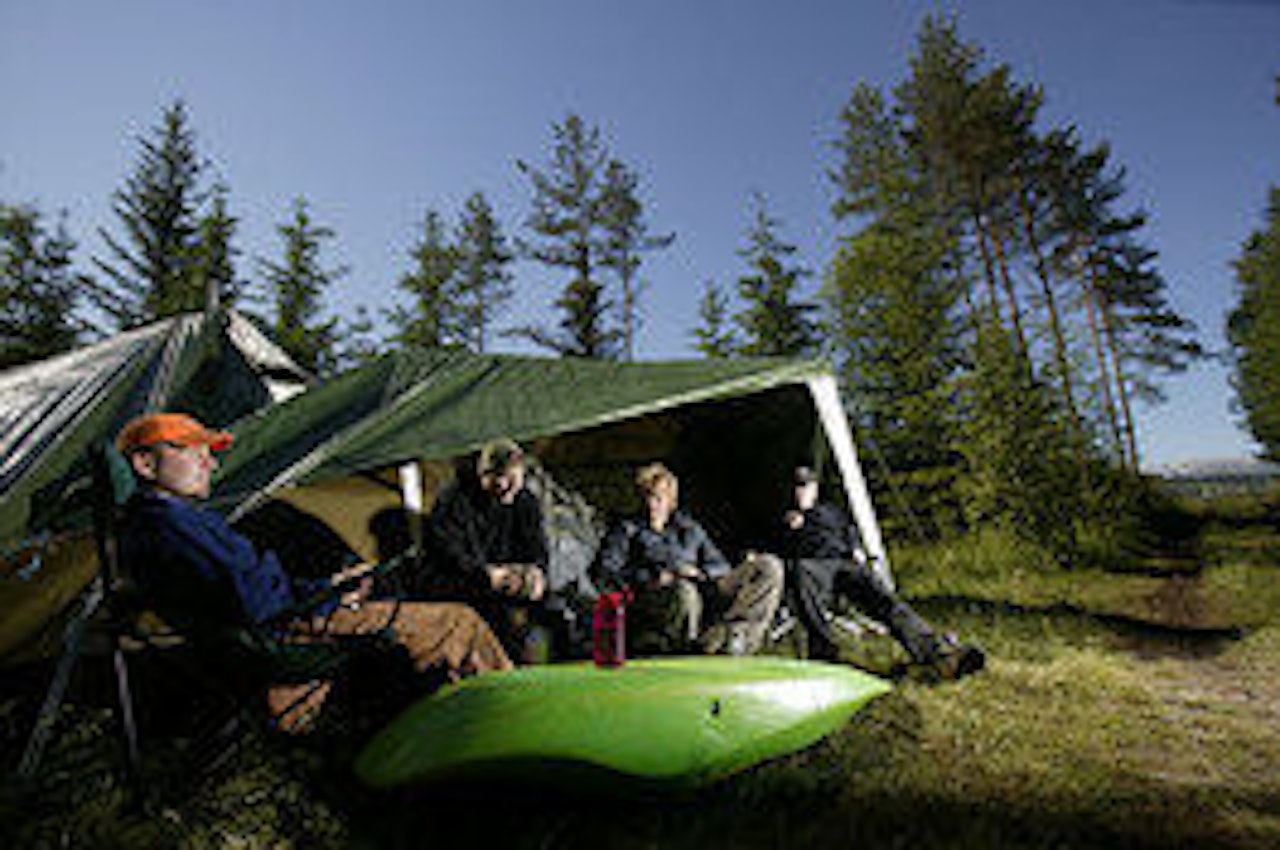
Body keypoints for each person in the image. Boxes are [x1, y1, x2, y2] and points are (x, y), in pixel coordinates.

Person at [115, 412, 513, 732]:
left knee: (393, 607)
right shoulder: (176, 526)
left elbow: (248, 588)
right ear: (146, 463)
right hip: (285, 632)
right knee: (458, 622)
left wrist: (328, 587)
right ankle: (513, 718)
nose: (210, 462)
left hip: (260, 637)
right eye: (192, 450)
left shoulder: (148, 528)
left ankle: (454, 722)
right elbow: (262, 601)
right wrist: (330, 596)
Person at [782, 465, 984, 680]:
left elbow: (849, 530)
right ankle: (825, 658)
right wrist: (794, 528)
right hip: (813, 564)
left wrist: (856, 547)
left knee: (885, 600)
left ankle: (936, 652)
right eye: (797, 487)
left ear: (814, 488)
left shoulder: (832, 511)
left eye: (805, 486)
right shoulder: (789, 516)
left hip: (845, 562)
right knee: (805, 581)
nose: (800, 492)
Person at [592, 462, 784, 656]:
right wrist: (654, 577)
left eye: (658, 499)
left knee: (769, 566)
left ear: (670, 501)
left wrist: (700, 573)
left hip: (704, 586)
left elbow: (720, 565)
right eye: (648, 497)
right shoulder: (627, 530)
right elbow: (606, 572)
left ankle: (733, 637)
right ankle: (692, 650)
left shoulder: (688, 529)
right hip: (659, 594)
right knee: (684, 591)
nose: (652, 505)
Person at [423, 438, 551, 657]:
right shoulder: (453, 501)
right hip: (462, 587)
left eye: (510, 477)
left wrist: (536, 575)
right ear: (480, 474)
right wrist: (485, 574)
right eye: (494, 476)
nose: (502, 484)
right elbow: (447, 553)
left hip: (507, 586)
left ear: (521, 473)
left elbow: (537, 550)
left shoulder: (526, 503)